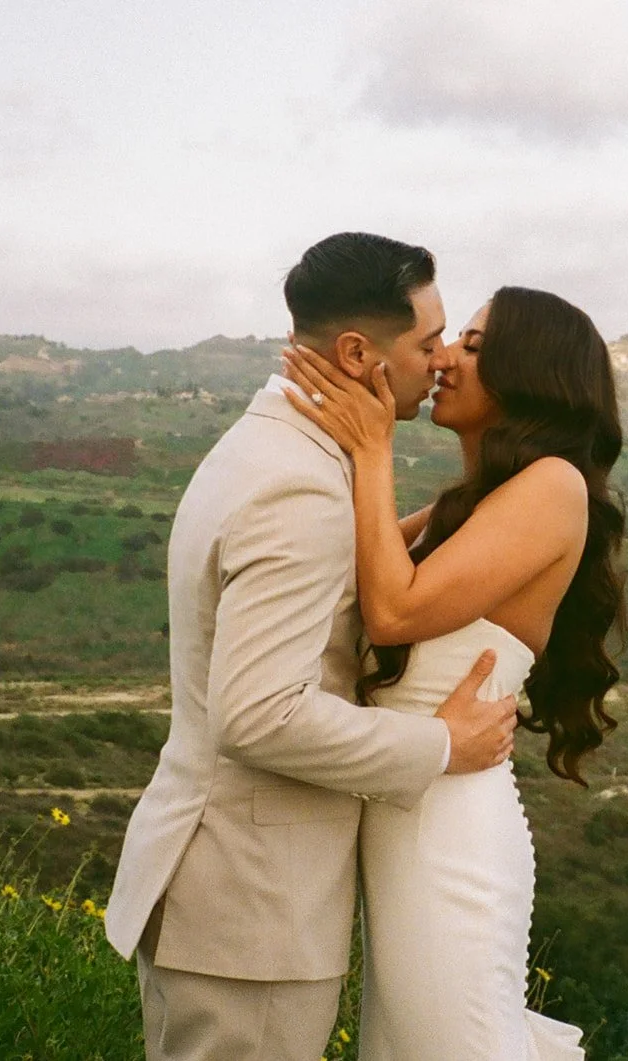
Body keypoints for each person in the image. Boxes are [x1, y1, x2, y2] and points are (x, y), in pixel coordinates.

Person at [106, 232, 522, 1061]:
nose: (439, 361)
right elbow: (260, 715)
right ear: (360, 352)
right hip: (248, 907)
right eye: (426, 342)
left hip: (230, 899)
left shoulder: (276, 449)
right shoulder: (299, 483)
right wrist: (443, 743)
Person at [281, 284, 627, 1060]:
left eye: (472, 345)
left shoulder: (553, 486)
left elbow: (394, 612)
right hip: (405, 827)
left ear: (529, 371)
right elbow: (347, 569)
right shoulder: (463, 508)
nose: (444, 359)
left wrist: (374, 449)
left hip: (450, 843)